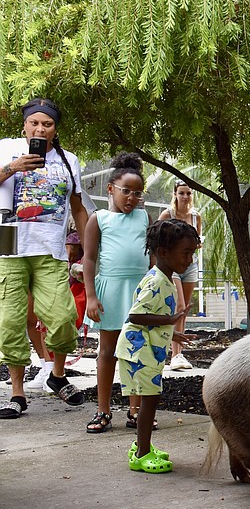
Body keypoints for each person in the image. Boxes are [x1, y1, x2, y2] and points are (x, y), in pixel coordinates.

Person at [0, 97, 89, 419]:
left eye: (47, 124)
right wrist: (11, 168)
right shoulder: (5, 149)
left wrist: (89, 251)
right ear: (24, 125)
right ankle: (17, 394)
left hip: (51, 250)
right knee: (10, 323)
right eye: (34, 123)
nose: (40, 128)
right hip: (9, 249)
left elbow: (78, 208)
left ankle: (57, 375)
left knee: (64, 319)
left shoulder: (68, 160)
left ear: (55, 129)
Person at [117, 219, 199, 473]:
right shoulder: (157, 282)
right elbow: (136, 316)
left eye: (192, 254)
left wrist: (172, 333)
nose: (189, 260)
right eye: (185, 253)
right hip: (139, 352)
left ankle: (143, 446)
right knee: (149, 403)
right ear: (163, 252)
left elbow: (148, 318)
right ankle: (141, 454)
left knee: (149, 401)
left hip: (145, 349)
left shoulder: (164, 278)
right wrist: (170, 320)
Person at [82, 152, 152, 433]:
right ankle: (103, 411)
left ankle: (136, 411)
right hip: (109, 290)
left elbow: (153, 258)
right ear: (111, 188)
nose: (132, 198)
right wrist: (90, 296)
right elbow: (88, 259)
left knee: (136, 351)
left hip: (138, 292)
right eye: (126, 192)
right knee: (108, 351)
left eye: (138, 194)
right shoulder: (98, 219)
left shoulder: (144, 217)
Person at [158, 179, 202, 370]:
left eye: (188, 193)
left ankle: (178, 353)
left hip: (189, 264)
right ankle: (173, 354)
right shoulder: (168, 214)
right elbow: (156, 238)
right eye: (181, 193)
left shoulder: (196, 217)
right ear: (175, 194)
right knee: (179, 305)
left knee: (185, 309)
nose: (185, 196)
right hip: (172, 265)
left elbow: (197, 241)